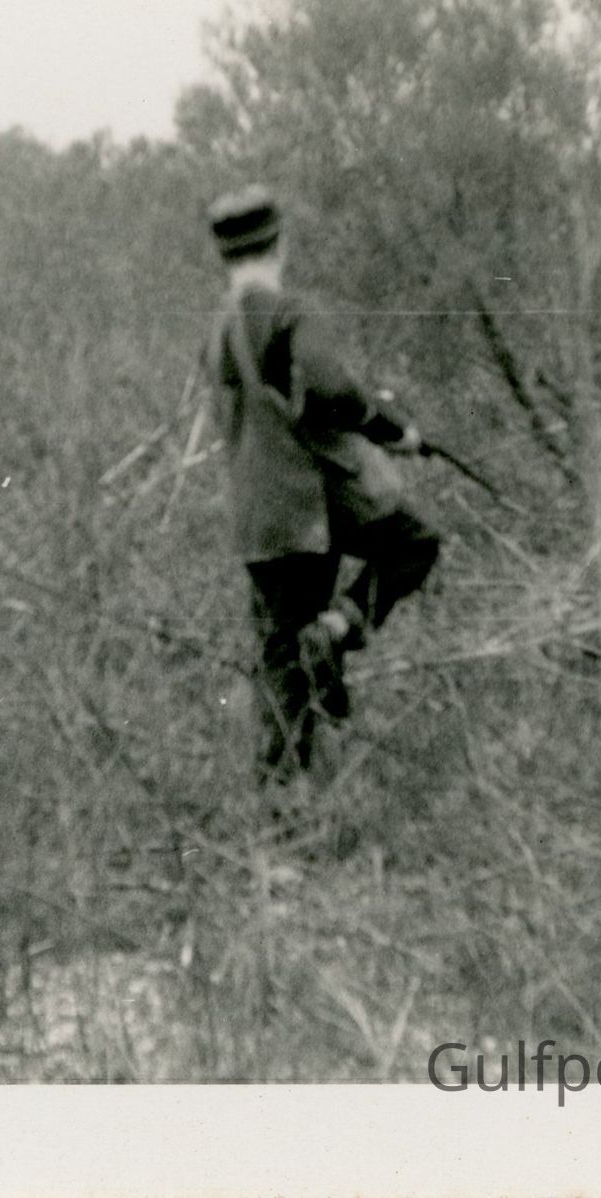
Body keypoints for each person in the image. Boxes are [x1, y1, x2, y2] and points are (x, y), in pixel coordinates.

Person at [204, 187, 443, 784]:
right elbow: (333, 390)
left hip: (255, 523)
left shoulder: (216, 331)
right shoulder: (289, 313)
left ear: (225, 256)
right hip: (306, 510)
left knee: (281, 670)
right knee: (415, 544)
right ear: (279, 245)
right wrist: (394, 431)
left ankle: (280, 813)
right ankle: (336, 630)